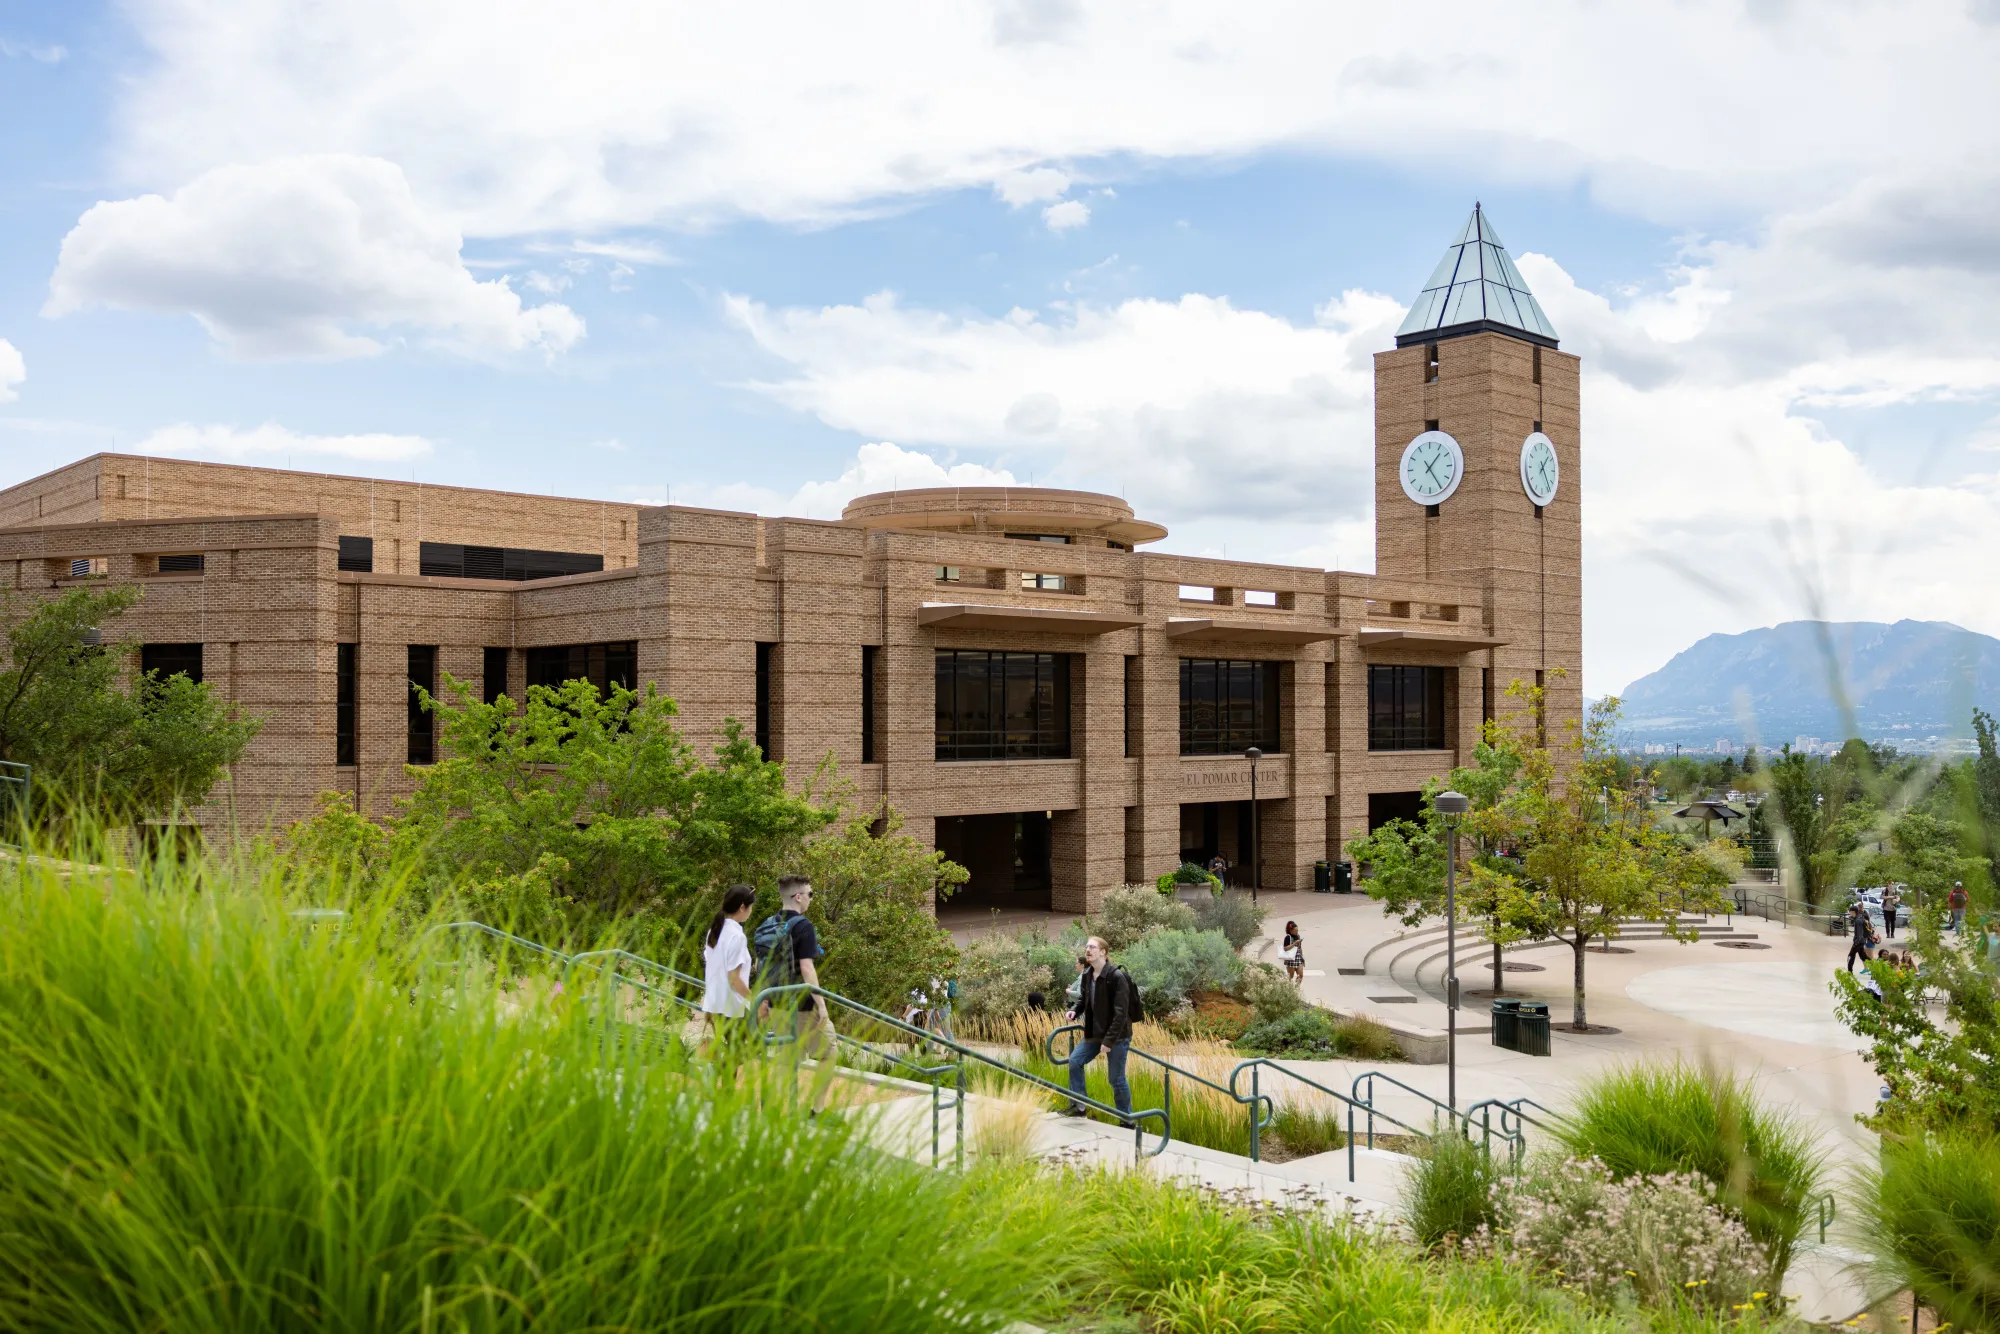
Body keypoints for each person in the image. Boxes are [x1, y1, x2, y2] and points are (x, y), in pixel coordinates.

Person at [754, 875, 835, 1072]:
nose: (811, 898)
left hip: (776, 1004)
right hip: (802, 1006)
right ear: (798, 897)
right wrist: (821, 1005)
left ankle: (780, 1102)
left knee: (789, 1058)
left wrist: (763, 1002)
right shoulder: (803, 926)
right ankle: (818, 1104)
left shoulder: (768, 924)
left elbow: (759, 966)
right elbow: (807, 968)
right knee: (829, 1054)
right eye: (810, 894)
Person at [1062, 936, 1134, 1118]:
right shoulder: (1087, 975)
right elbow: (1083, 1000)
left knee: (1116, 1079)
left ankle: (1127, 1119)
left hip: (1117, 1035)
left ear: (1103, 952)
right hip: (1095, 1032)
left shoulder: (1116, 977)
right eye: (1086, 947)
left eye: (1092, 947)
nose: (1087, 950)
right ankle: (1079, 1107)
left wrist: (1109, 1041)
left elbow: (1121, 1014)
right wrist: (1074, 1011)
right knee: (1075, 1061)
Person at [700, 884, 758, 1036]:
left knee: (732, 1055)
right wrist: (753, 1000)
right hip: (731, 1007)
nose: (751, 911)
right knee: (744, 1054)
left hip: (714, 1003)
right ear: (742, 907)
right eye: (750, 907)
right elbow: (734, 978)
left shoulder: (714, 931)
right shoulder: (737, 936)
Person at [1845, 897, 1877, 973]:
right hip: (1862, 941)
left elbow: (1859, 933)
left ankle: (1850, 972)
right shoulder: (1861, 917)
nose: (1850, 913)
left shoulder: (1858, 920)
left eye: (1850, 912)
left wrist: (1856, 943)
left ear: (1853, 912)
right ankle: (1875, 967)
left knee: (1851, 956)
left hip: (1858, 942)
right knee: (1863, 956)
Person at [1281, 920, 1305, 985]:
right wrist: (1294, 943)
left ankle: (1296, 989)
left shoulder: (1298, 936)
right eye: (1295, 931)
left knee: (1300, 975)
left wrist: (1302, 957)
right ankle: (1288, 990)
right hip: (1291, 959)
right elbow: (1285, 948)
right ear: (1291, 931)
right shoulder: (1288, 937)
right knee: (1290, 976)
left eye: (1297, 931)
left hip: (1298, 958)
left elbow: (1300, 948)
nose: (1297, 932)